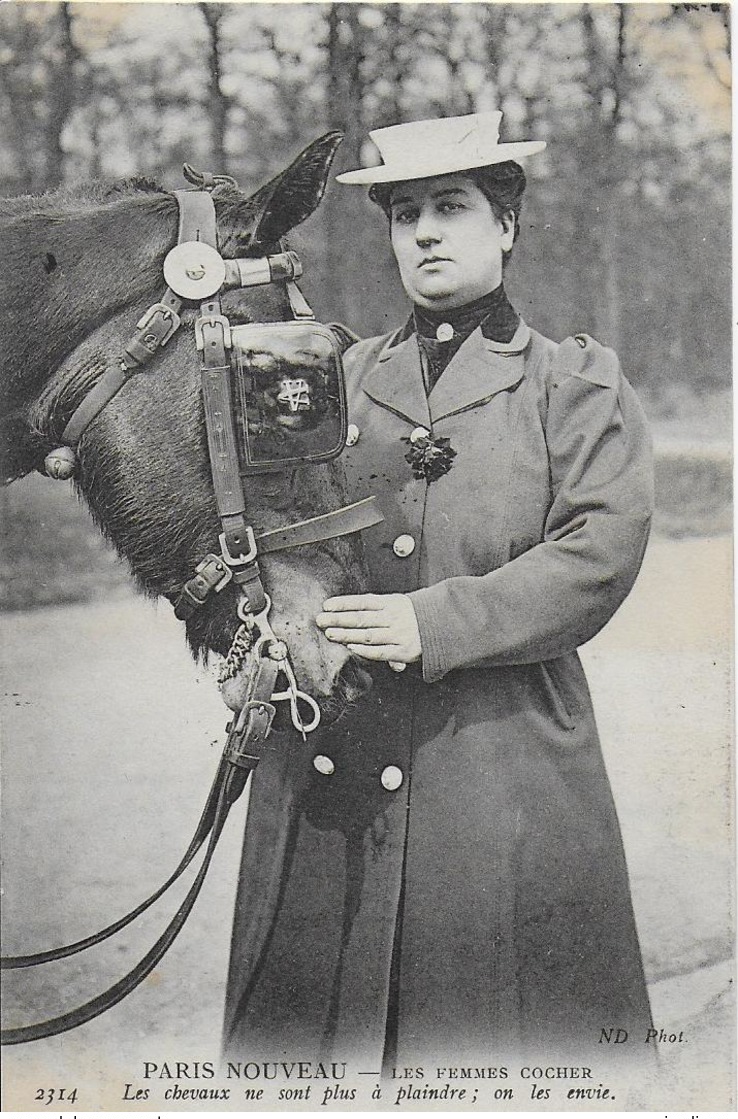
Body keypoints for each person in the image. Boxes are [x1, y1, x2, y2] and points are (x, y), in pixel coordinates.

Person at [222, 112, 654, 1069]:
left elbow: (599, 553)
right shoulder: (328, 374)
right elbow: (264, 530)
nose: (422, 232)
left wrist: (429, 619)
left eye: (450, 207)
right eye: (404, 212)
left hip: (500, 758)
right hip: (337, 753)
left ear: (506, 225)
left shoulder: (573, 382)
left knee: (498, 1036)